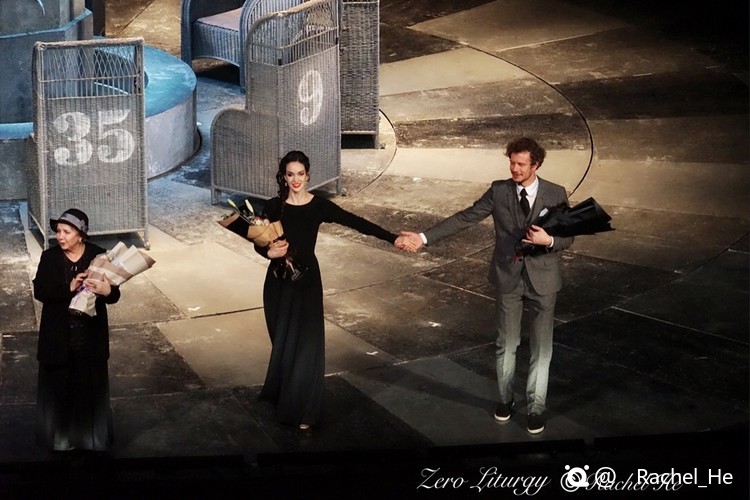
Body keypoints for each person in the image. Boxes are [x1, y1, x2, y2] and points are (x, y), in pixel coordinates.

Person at [396, 137, 573, 435]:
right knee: (506, 344)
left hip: (544, 281)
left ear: (536, 165)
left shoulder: (556, 193)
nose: (514, 169)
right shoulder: (499, 190)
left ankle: (535, 408)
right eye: (511, 163)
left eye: (521, 164)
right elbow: (466, 217)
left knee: (541, 349)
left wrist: (550, 240)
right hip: (508, 278)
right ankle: (505, 400)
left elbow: (569, 236)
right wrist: (424, 238)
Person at [255, 151, 399, 431]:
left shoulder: (318, 206)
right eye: (290, 174)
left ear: (308, 175)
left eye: (300, 174)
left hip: (307, 282)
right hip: (278, 283)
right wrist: (268, 252)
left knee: (308, 345)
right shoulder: (273, 207)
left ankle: (305, 410)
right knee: (283, 342)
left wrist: (392, 238)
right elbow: (258, 242)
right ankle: (285, 396)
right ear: (283, 177)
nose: (295, 179)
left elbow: (356, 222)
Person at [33, 208, 120, 453]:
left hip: (89, 338)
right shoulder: (50, 258)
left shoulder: (97, 255)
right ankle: (61, 439)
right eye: (58, 231)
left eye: (66, 232)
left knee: (88, 388)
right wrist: (68, 287)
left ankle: (90, 440)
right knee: (60, 388)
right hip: (58, 337)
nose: (60, 236)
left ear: (80, 235)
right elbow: (40, 291)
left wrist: (107, 291)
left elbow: (114, 294)